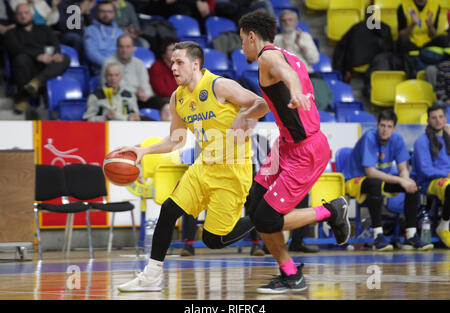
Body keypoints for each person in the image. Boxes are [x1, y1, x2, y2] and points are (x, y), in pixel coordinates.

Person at [115, 41, 269, 292]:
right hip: (204, 167)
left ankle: (260, 217)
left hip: (232, 172)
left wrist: (245, 116)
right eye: (172, 63)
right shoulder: (178, 97)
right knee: (168, 210)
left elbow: (261, 104)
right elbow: (176, 140)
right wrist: (143, 151)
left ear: (195, 64)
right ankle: (151, 276)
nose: (173, 67)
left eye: (179, 62)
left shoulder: (220, 85)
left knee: (213, 240)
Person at [238, 10, 350, 294]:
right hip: (286, 146)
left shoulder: (267, 57)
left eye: (242, 41)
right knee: (254, 206)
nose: (241, 48)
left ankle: (330, 211)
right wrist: (249, 114)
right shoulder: (286, 54)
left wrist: (297, 91)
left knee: (265, 218)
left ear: (252, 36)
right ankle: (290, 273)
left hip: (306, 151)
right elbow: (273, 98)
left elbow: (287, 77)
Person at [343, 110, 434, 251]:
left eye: (389, 126)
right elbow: (370, 172)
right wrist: (400, 180)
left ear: (394, 128)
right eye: (382, 125)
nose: (385, 130)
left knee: (411, 185)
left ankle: (411, 234)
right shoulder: (369, 137)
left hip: (379, 180)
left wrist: (407, 181)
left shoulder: (397, 139)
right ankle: (377, 236)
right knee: (375, 184)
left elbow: (403, 169)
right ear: (377, 125)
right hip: (355, 180)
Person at [4, 2, 70, 113]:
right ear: (15, 17)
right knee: (21, 58)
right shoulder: (10, 33)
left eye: (26, 13)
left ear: (32, 14)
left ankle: (36, 82)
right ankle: (23, 98)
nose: (23, 16)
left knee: (65, 58)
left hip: (46, 67)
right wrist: (38, 56)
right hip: (26, 67)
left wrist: (56, 54)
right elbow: (16, 48)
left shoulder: (44, 29)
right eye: (20, 14)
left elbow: (55, 44)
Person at [413, 102, 450, 248]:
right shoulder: (422, 141)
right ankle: (443, 226)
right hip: (430, 181)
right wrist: (446, 174)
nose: (438, 120)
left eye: (441, 116)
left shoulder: (448, 137)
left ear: (445, 118)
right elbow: (425, 170)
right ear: (428, 120)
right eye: (434, 117)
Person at [100, 34, 167, 110]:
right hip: (117, 100)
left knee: (161, 103)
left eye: (128, 47)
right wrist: (130, 95)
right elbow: (105, 87)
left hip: (138, 99)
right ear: (117, 48)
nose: (124, 50)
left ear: (133, 48)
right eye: (121, 47)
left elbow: (146, 86)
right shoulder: (108, 63)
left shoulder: (139, 63)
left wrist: (144, 94)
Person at [273, 9, 319, 77]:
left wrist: (299, 44)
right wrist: (285, 48)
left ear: (296, 22)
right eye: (284, 20)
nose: (287, 23)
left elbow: (314, 60)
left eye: (290, 20)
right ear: (280, 23)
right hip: (285, 75)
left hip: (306, 74)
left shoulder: (305, 36)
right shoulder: (276, 39)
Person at [83, 0, 124, 74]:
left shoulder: (120, 32)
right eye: (102, 11)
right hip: (101, 70)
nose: (106, 14)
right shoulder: (90, 30)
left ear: (114, 13)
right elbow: (91, 53)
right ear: (97, 13)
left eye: (109, 11)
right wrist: (111, 65)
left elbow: (126, 52)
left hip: (121, 69)